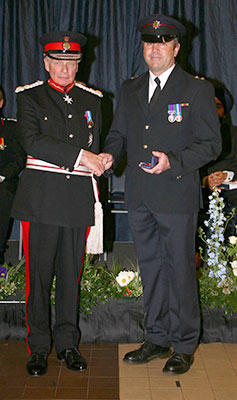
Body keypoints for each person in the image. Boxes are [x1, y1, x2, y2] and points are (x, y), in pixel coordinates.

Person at [100, 14, 221, 375]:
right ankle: (157, 336)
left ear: (176, 47)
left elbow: (211, 143)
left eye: (163, 41)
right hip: (139, 196)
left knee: (180, 270)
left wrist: (175, 161)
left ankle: (184, 344)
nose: (155, 48)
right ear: (143, 47)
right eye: (149, 42)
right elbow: (119, 133)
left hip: (176, 195)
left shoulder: (197, 90)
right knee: (151, 269)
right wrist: (110, 155)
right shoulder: (130, 88)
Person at [11, 31, 105, 376]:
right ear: (47, 63)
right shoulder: (30, 97)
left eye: (72, 62)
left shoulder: (92, 100)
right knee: (39, 278)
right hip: (41, 200)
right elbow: (33, 141)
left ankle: (68, 344)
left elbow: (97, 142)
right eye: (59, 62)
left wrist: (102, 158)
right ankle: (38, 347)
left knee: (70, 277)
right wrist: (83, 156)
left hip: (77, 200)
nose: (65, 69)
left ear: (79, 64)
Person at [202, 88, 237, 238]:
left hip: (233, 195)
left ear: (224, 111)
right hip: (201, 197)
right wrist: (205, 181)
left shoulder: (234, 134)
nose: (213, 111)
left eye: (218, 106)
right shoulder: (190, 136)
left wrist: (228, 176)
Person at [0, 87, 25, 265]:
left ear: (1, 103)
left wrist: (2, 175)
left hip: (3, 181)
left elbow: (18, 159)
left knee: (4, 194)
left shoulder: (10, 128)